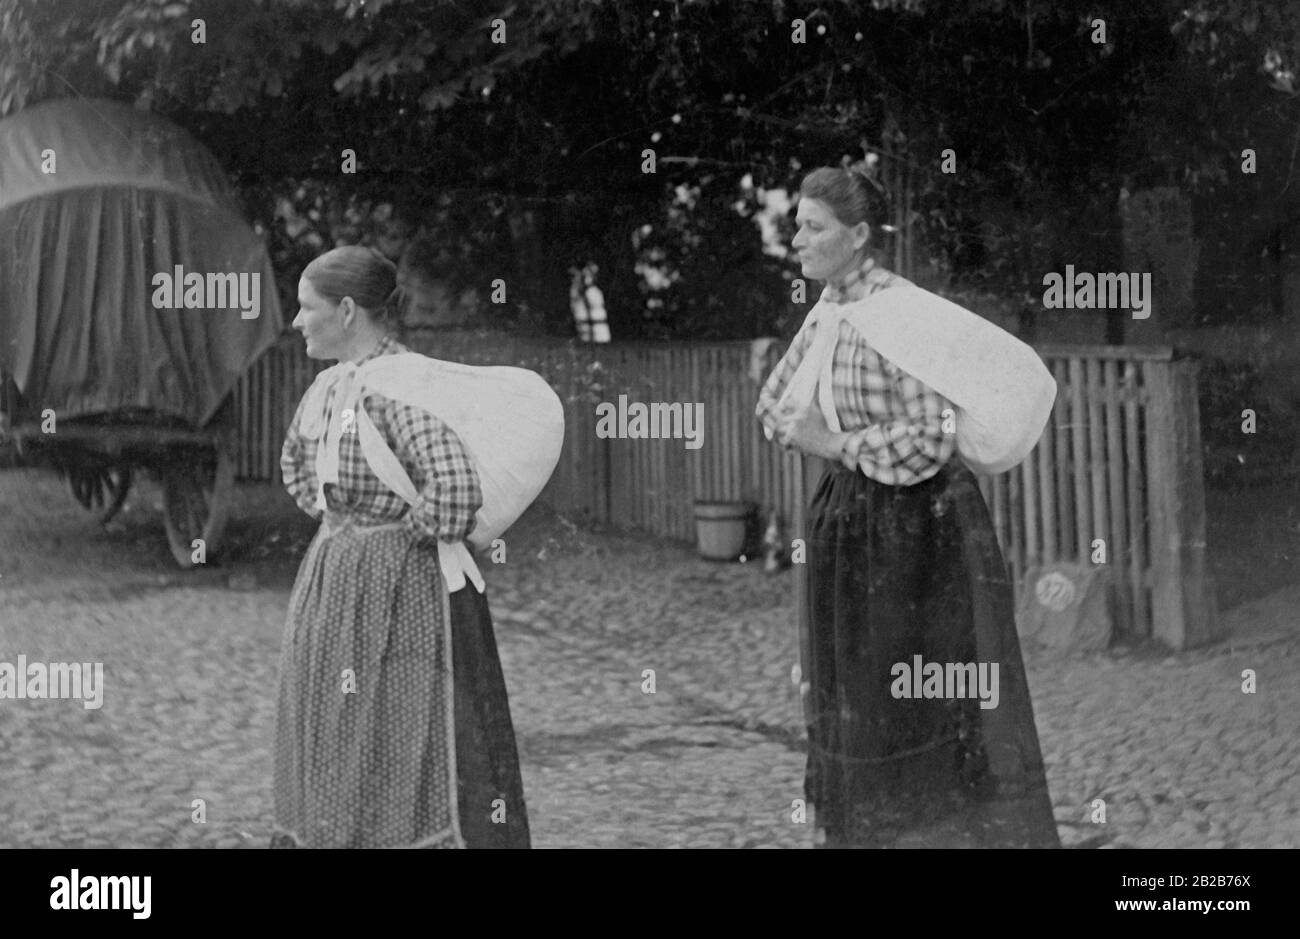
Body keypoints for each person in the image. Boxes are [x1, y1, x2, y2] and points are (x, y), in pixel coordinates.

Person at [756, 165, 1059, 848]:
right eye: (797, 226)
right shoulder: (827, 311)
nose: (798, 241)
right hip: (849, 520)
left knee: (908, 694)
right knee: (852, 694)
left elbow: (932, 437)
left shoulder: (902, 315)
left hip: (917, 529)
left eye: (814, 227)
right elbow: (773, 406)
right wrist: (826, 440)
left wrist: (833, 440)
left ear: (859, 235)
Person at [272, 245, 529, 849]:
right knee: (339, 723)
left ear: (346, 311)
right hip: (336, 579)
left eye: (306, 308)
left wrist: (393, 534)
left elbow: (457, 492)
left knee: (401, 721)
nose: (296, 321)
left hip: (405, 590)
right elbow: (299, 469)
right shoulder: (333, 387)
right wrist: (349, 528)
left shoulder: (401, 388)